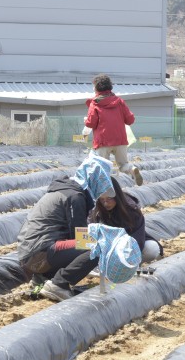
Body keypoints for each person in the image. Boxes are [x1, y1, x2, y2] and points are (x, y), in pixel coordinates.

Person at [16, 154, 115, 302]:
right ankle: (59, 284)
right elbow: (80, 237)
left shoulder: (65, 190)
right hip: (39, 253)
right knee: (98, 246)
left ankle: (43, 278)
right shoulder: (75, 196)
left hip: (30, 254)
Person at [89, 175, 163, 263]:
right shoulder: (97, 210)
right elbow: (90, 232)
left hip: (128, 247)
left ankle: (131, 264)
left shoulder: (131, 210)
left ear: (116, 195)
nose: (105, 203)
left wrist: (122, 254)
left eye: (109, 199)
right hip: (106, 248)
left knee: (151, 249)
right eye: (102, 200)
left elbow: (137, 239)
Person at [84, 73, 142, 185]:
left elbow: (91, 123)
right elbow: (130, 120)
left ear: (96, 88)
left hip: (103, 141)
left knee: (101, 168)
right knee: (123, 164)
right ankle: (132, 169)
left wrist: (85, 121)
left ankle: (105, 193)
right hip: (120, 140)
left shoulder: (95, 103)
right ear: (110, 87)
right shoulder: (119, 102)